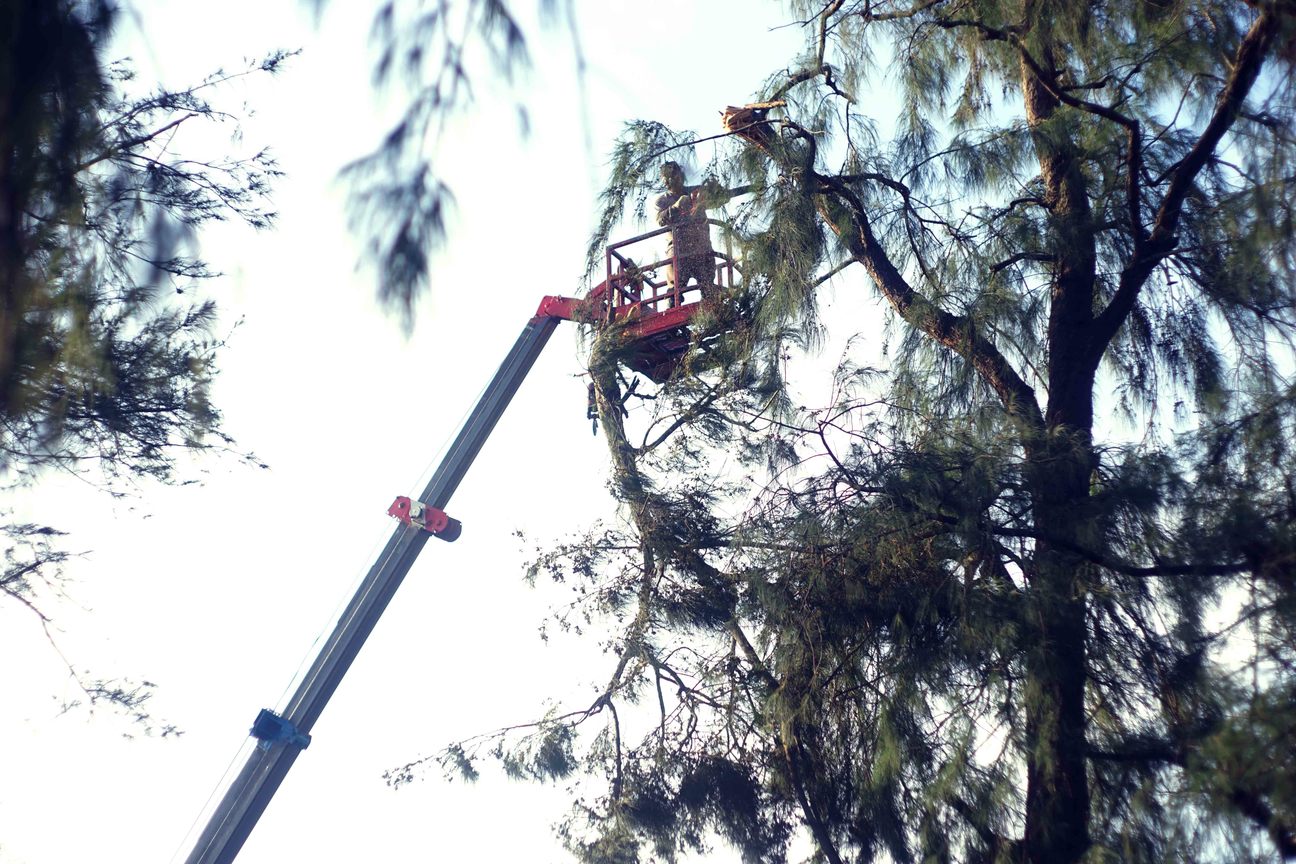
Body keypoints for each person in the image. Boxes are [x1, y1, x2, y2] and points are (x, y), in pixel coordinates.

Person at [655, 161, 721, 302]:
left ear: (679, 175)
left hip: (701, 250)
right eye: (665, 178)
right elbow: (660, 220)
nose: (669, 181)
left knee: (709, 290)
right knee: (674, 295)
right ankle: (671, 313)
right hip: (679, 252)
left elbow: (719, 199)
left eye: (672, 176)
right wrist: (676, 206)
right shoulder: (662, 201)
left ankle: (713, 312)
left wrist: (716, 192)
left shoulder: (695, 192)